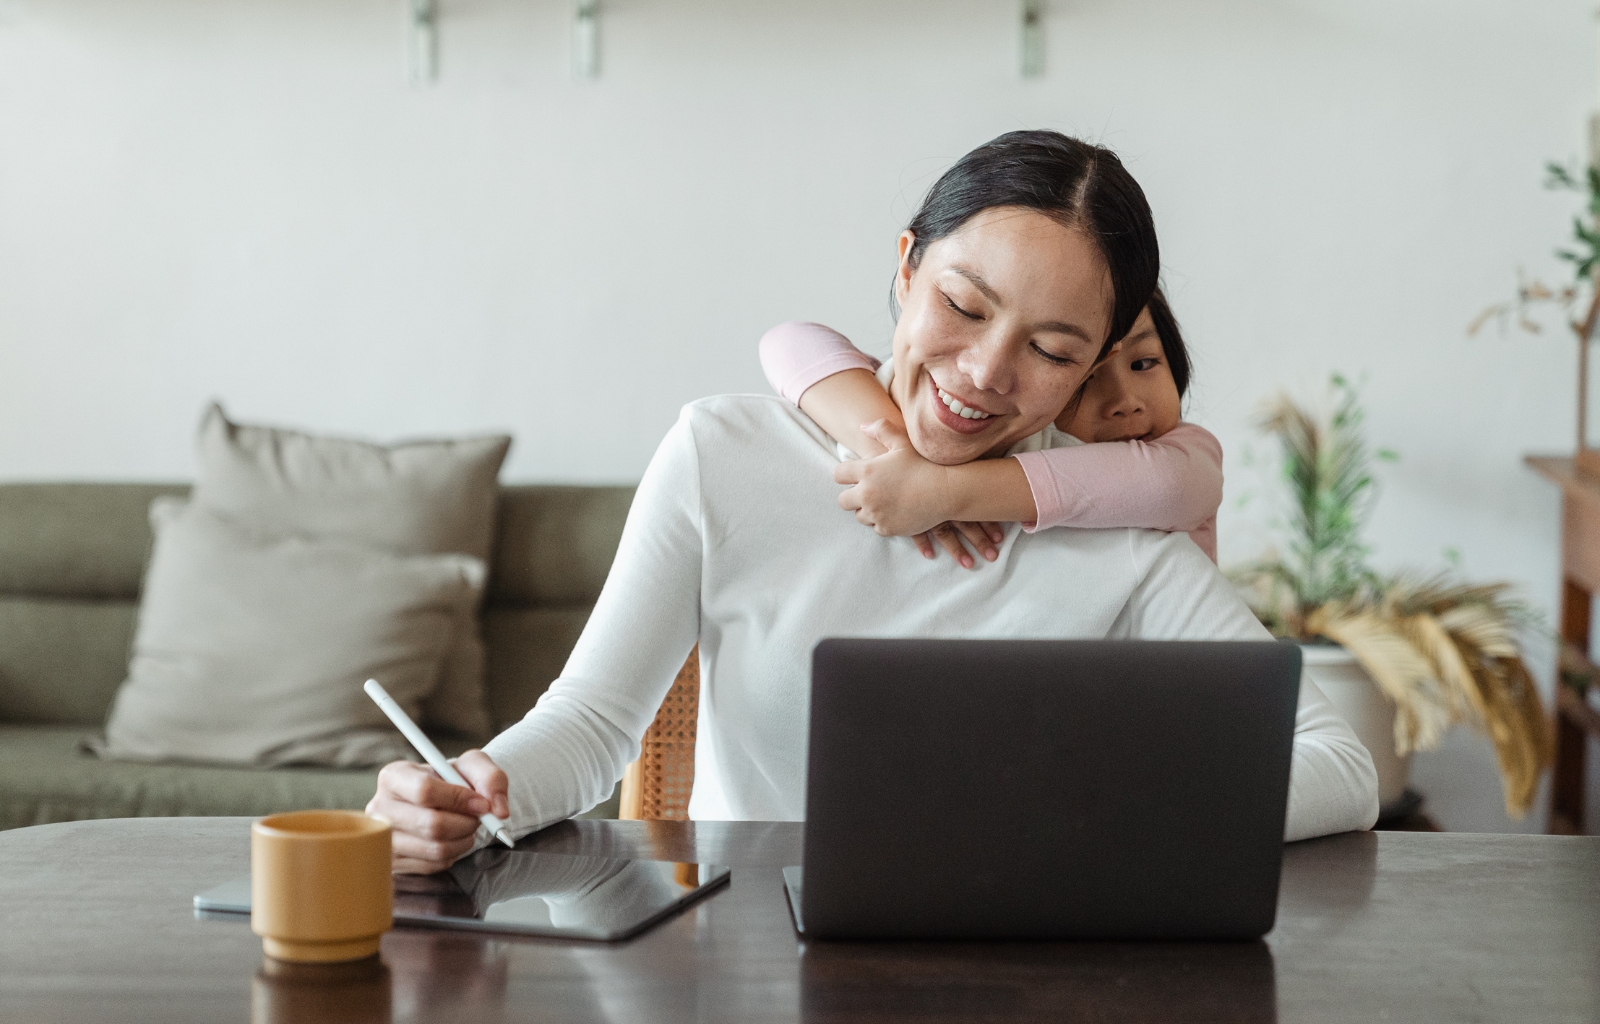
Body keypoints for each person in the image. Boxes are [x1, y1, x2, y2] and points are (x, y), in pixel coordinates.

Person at [368, 130, 1379, 874]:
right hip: (749, 968)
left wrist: (1112, 809)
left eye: (1051, 350)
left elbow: (1340, 764)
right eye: (963, 305)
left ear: (1091, 370)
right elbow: (591, 726)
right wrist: (467, 788)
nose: (984, 373)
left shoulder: (1117, 531)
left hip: (1024, 975)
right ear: (904, 270)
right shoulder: (724, 454)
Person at [757, 286, 1221, 566]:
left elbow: (1169, 486)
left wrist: (942, 490)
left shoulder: (1187, 455)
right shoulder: (1011, 438)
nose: (1125, 403)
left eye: (1145, 363)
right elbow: (789, 341)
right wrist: (893, 453)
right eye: (1085, 378)